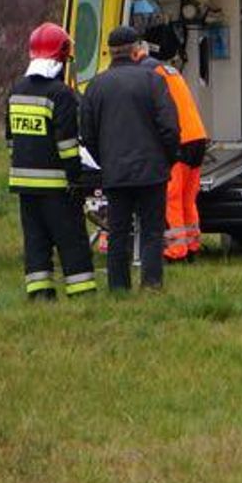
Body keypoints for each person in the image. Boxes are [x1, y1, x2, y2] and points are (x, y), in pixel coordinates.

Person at [80, 26, 180, 291]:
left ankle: (118, 288)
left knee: (118, 232)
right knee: (151, 231)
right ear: (136, 50)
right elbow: (169, 126)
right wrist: (168, 159)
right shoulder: (153, 80)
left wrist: (105, 159)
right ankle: (151, 285)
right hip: (152, 170)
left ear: (111, 53)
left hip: (115, 172)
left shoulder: (96, 85)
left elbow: (87, 134)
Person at [5, 23, 97, 300]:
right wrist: (75, 178)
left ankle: (40, 293)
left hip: (23, 183)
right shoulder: (60, 94)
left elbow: (10, 139)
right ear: (60, 58)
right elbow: (67, 144)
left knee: (35, 240)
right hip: (57, 185)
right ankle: (82, 294)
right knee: (71, 240)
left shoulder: (16, 89)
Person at [143, 41, 209, 263]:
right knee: (188, 197)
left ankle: (175, 251)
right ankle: (192, 245)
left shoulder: (150, 76)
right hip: (197, 136)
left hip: (179, 140)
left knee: (172, 198)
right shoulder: (168, 71)